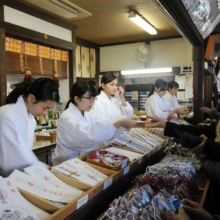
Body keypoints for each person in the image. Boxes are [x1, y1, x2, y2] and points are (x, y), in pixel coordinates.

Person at [53, 81, 137, 165]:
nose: (92, 101)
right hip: (67, 164)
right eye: (89, 98)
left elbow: (105, 122)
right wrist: (118, 124)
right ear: (77, 99)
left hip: (84, 161)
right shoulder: (67, 118)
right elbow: (88, 136)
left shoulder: (89, 113)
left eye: (93, 98)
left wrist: (124, 120)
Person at [0, 78, 59, 177]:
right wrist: (44, 170)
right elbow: (17, 157)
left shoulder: (30, 118)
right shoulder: (7, 116)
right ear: (31, 98)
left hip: (18, 175)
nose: (45, 113)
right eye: (45, 108)